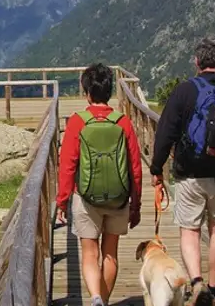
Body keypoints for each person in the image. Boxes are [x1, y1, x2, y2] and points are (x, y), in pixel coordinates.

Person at [149, 36, 215, 306]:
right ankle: (214, 288)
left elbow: (165, 132)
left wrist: (156, 169)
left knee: (190, 230)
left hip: (189, 173)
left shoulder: (184, 92)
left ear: (197, 62)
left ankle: (197, 283)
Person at [56, 63, 143, 306]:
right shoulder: (123, 122)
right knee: (110, 254)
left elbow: (68, 165)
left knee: (89, 253)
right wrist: (136, 204)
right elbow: (135, 168)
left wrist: (62, 200)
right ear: (109, 91)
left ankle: (95, 298)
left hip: (86, 198)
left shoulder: (77, 122)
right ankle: (103, 300)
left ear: (87, 92)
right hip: (119, 198)